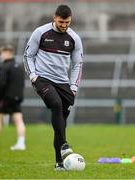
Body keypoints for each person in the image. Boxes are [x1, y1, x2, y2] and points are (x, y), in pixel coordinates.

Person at [23, 4, 83, 170]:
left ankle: (59, 162)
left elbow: (78, 64)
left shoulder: (74, 38)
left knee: (61, 123)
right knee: (55, 105)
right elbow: (28, 55)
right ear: (54, 18)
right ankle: (64, 144)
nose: (64, 25)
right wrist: (33, 76)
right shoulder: (40, 32)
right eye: (61, 22)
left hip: (64, 83)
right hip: (43, 79)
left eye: (67, 22)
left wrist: (73, 87)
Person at [0, 44, 26, 151]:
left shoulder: (5, 67)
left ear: (6, 53)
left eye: (1, 54)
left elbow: (1, 83)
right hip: (17, 97)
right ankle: (21, 143)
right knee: (19, 120)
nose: (1, 56)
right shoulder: (19, 67)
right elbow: (22, 83)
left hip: (6, 97)